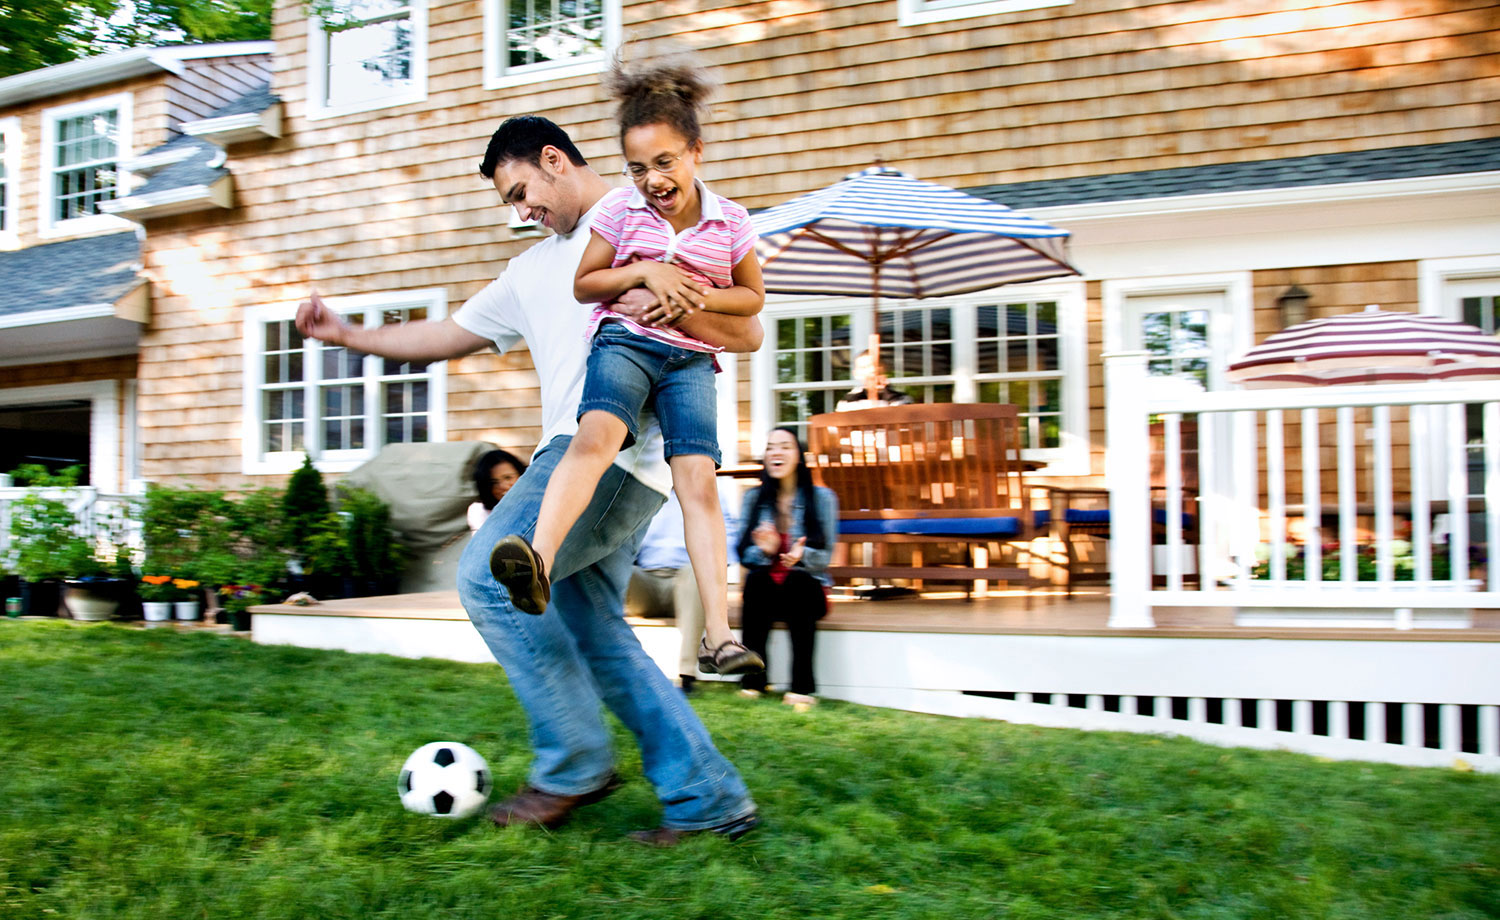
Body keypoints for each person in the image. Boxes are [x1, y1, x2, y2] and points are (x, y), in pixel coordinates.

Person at [294, 114, 761, 846]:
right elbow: (446, 335)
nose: (522, 211)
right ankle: (706, 796)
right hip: (588, 468)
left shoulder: (653, 221)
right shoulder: (535, 267)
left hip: (608, 456)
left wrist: (674, 307)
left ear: (553, 159)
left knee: (488, 577)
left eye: (522, 192)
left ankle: (575, 764)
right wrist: (347, 335)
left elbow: (739, 331)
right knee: (597, 630)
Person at [490, 52, 765, 680]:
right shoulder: (620, 212)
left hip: (693, 362)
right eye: (638, 168)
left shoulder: (732, 223)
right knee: (594, 440)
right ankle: (538, 559)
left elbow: (751, 301)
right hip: (625, 342)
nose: (652, 179)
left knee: (698, 482)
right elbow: (587, 284)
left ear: (695, 151)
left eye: (665, 162)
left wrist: (690, 294)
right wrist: (644, 271)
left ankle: (719, 636)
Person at [736, 427, 839, 706]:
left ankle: (802, 687)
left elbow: (824, 558)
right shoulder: (753, 499)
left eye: (784, 446)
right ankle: (754, 679)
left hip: (808, 588)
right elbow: (743, 553)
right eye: (770, 447)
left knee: (798, 582)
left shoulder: (823, 499)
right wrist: (765, 551)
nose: (776, 453)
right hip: (768, 591)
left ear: (799, 457)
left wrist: (801, 555)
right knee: (756, 581)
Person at [625, 487, 740, 694]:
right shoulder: (644, 489)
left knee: (695, 572)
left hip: (689, 585)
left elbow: (727, 544)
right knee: (619, 569)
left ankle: (686, 675)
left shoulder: (712, 491)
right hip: (648, 582)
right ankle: (619, 667)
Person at [467, 448, 527, 530]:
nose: (503, 486)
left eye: (508, 478)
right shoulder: (479, 511)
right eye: (494, 482)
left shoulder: (539, 504)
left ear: (521, 475)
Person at [835, 350, 914, 411]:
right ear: (856, 374)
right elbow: (836, 429)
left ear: (883, 368)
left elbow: (906, 424)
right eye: (864, 368)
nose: (871, 371)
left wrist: (886, 394)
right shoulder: (847, 401)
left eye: (875, 366)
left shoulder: (901, 398)